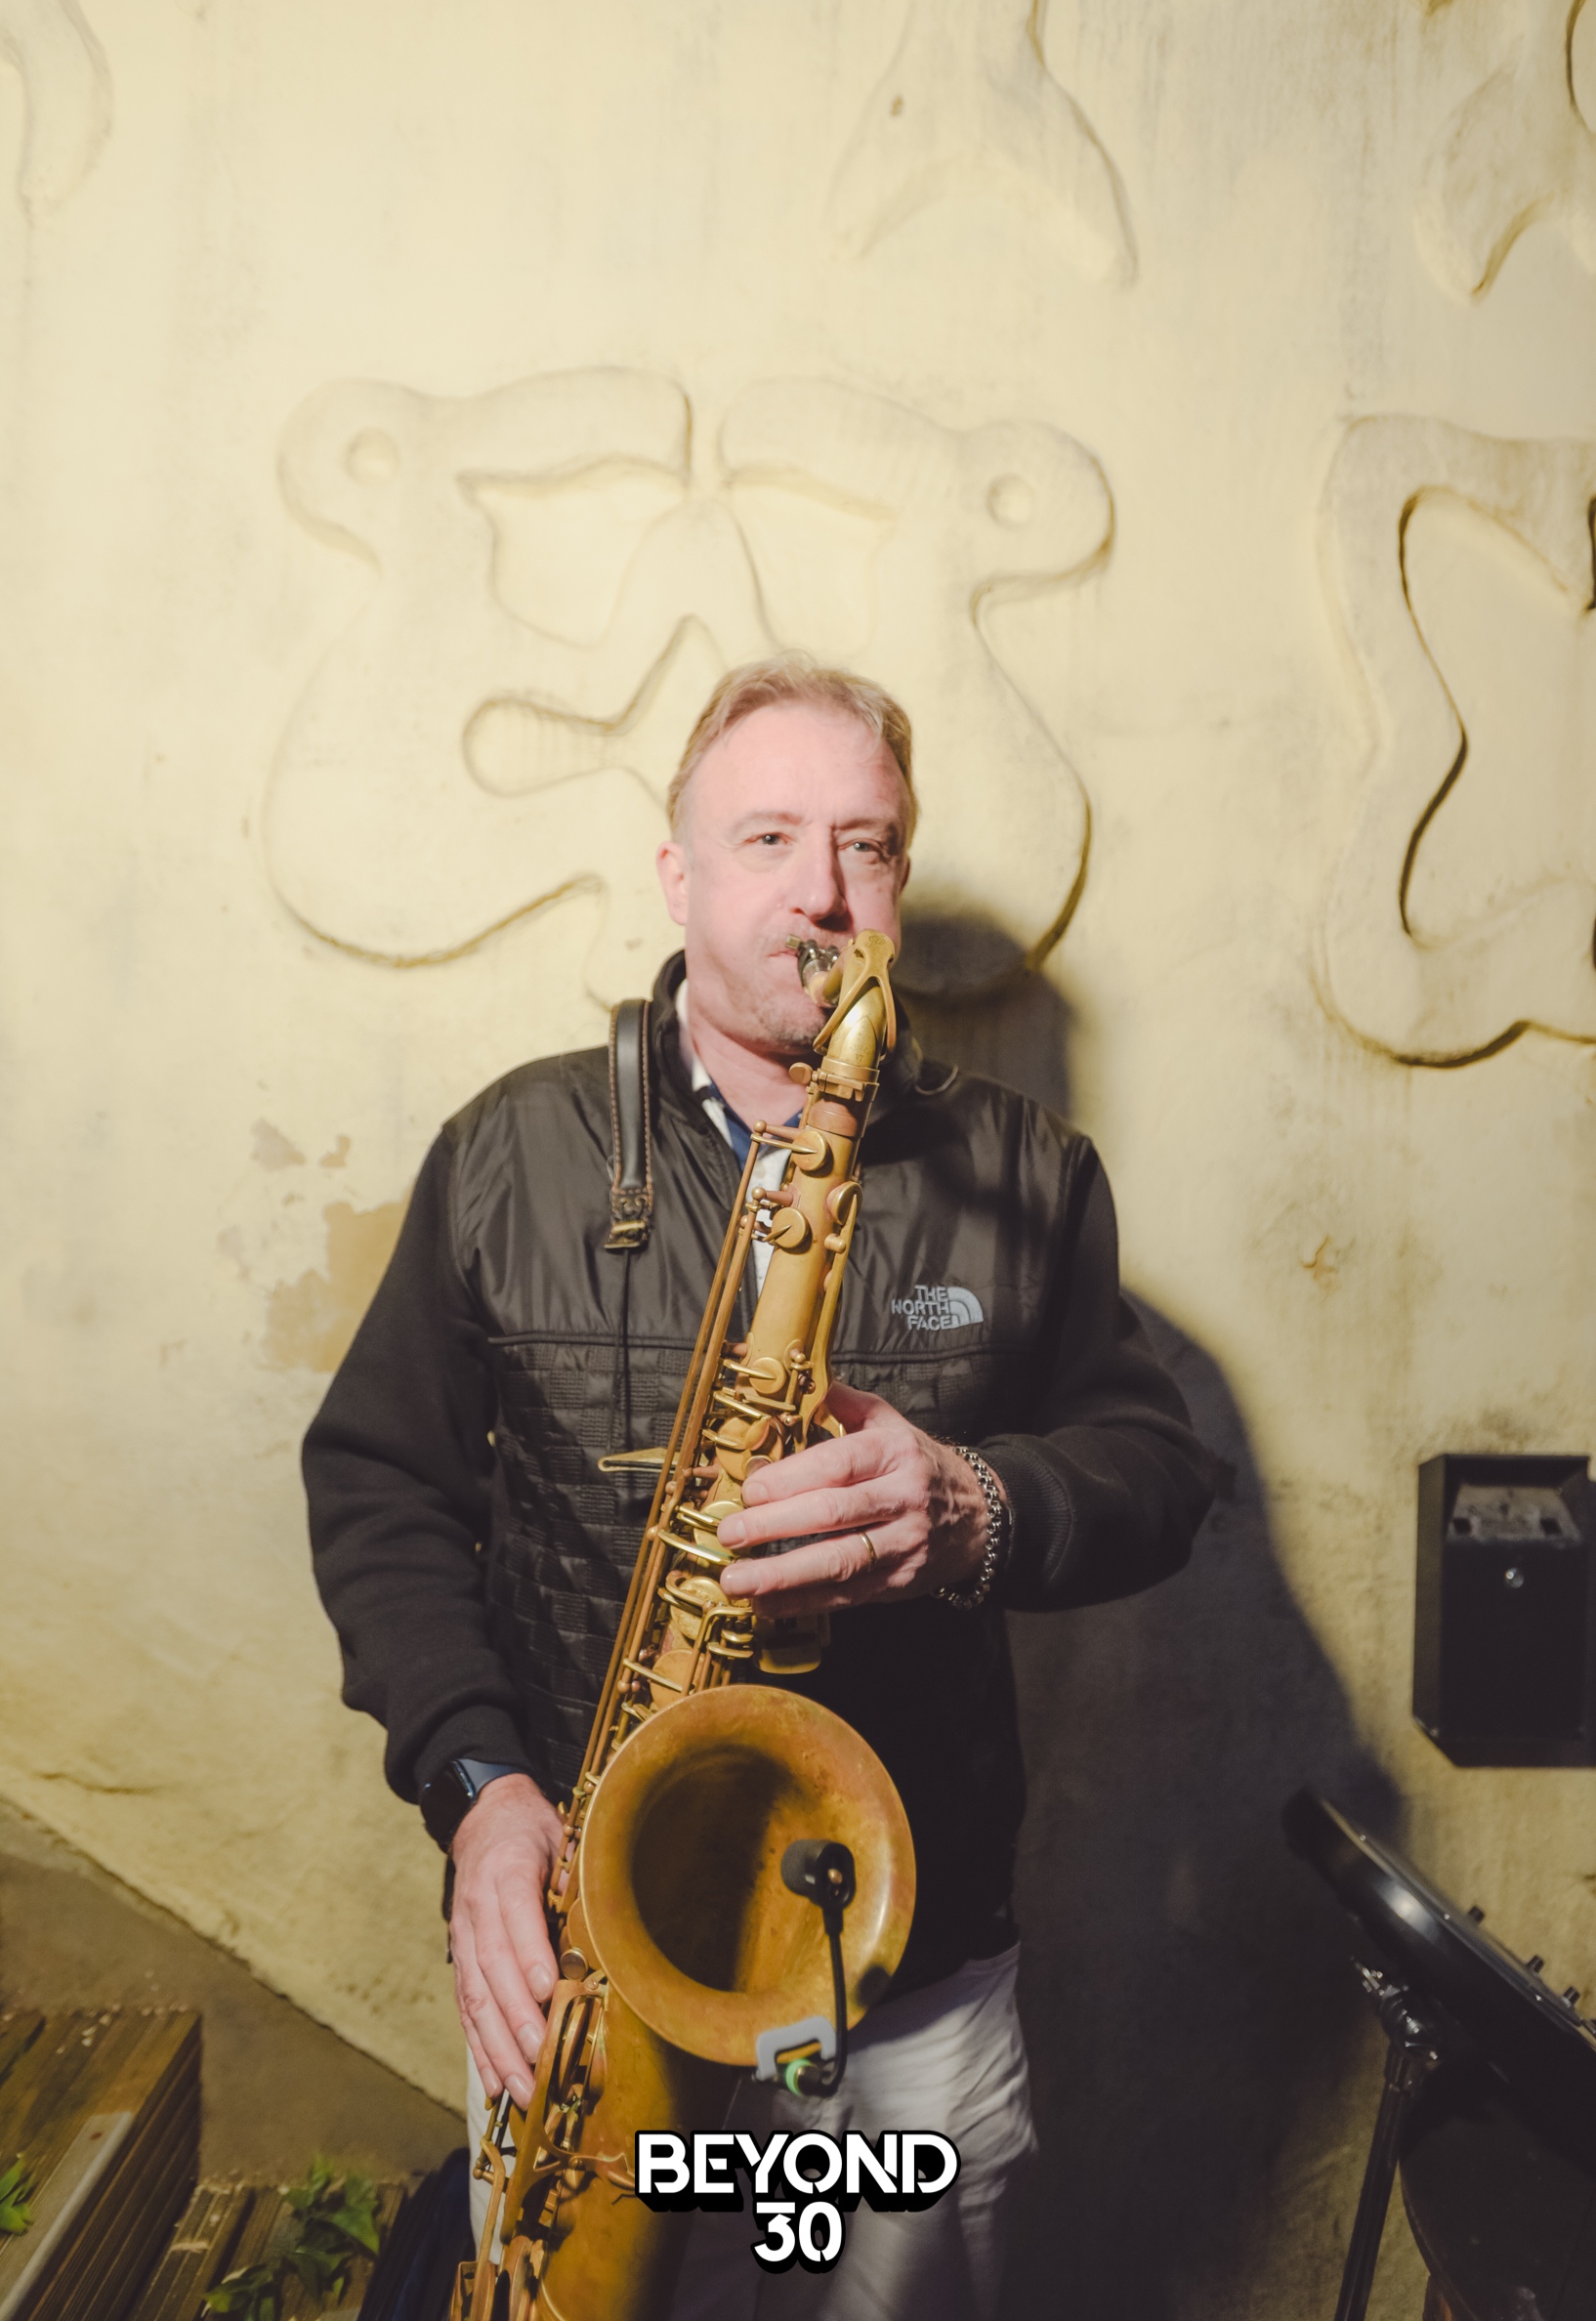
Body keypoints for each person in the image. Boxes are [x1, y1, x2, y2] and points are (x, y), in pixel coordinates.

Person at [305, 655, 1216, 2319]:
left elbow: (1154, 1470)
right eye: (769, 837)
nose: (821, 892)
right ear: (677, 875)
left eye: (865, 845)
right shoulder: (508, 1154)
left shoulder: (1028, 1170)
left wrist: (972, 1505)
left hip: (908, 1979)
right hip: (599, 1961)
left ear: (899, 880)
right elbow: (381, 1490)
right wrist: (480, 1790)